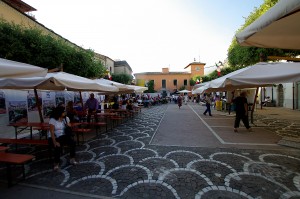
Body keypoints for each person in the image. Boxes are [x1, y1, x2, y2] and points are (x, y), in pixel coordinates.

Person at [48, 106, 77, 171]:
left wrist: (68, 125)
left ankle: (72, 158)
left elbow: (69, 126)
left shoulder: (66, 118)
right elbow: (52, 132)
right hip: (53, 137)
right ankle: (56, 163)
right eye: (64, 111)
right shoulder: (53, 120)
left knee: (73, 143)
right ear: (59, 112)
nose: (65, 112)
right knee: (57, 147)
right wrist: (55, 141)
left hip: (63, 136)